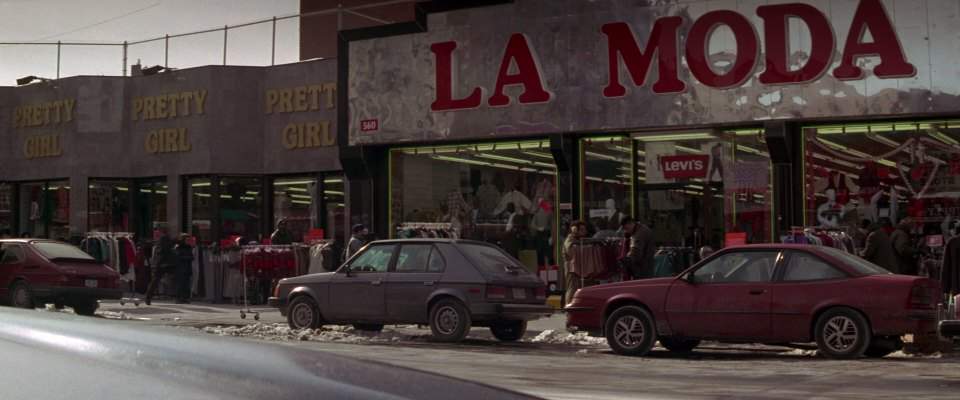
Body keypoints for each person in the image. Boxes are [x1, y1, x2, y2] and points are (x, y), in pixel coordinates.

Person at [145, 233, 177, 305]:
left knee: (155, 281)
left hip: (161, 265)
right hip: (162, 265)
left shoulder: (159, 247)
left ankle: (148, 297)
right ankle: (148, 297)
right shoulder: (164, 248)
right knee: (155, 281)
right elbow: (165, 254)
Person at [563, 220, 588, 305]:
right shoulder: (570, 239)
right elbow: (570, 251)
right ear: (575, 230)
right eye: (581, 230)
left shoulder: (581, 240)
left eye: (584, 229)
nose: (584, 232)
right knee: (572, 288)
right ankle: (569, 306)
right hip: (571, 268)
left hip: (580, 267)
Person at [174, 234, 194, 304]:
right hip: (180, 268)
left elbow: (192, 257)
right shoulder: (178, 247)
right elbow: (178, 257)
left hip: (187, 268)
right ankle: (178, 298)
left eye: (189, 240)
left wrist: (187, 257)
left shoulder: (189, 247)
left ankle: (186, 298)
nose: (188, 241)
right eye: (187, 240)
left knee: (187, 284)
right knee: (180, 284)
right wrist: (187, 257)